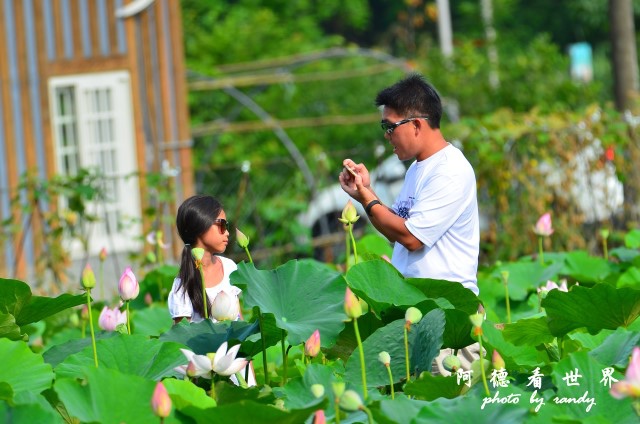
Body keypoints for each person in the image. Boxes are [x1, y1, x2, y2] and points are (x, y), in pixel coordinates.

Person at [338, 74, 481, 376]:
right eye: (384, 127)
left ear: (416, 124)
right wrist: (367, 192)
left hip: (447, 316)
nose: (386, 135)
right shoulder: (417, 169)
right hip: (417, 309)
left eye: (390, 127)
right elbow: (400, 228)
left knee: (449, 408)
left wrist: (367, 197)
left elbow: (412, 238)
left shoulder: (451, 170)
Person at [167, 194, 256, 385]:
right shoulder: (182, 285)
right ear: (201, 226)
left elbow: (239, 324)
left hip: (234, 363)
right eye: (222, 225)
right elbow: (182, 340)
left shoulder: (231, 267)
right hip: (205, 374)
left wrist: (250, 380)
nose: (228, 233)